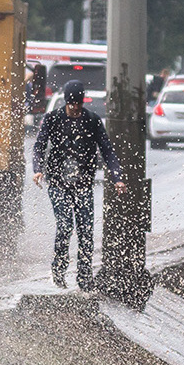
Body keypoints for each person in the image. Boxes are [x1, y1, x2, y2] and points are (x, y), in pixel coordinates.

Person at [31, 80, 126, 290]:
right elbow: (38, 147)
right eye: (71, 104)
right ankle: (59, 270)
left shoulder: (91, 120)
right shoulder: (52, 119)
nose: (75, 108)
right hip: (57, 183)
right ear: (66, 102)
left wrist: (117, 177)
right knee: (65, 226)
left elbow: (108, 150)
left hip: (83, 184)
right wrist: (37, 169)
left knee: (85, 231)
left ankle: (84, 277)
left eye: (78, 104)